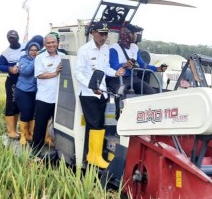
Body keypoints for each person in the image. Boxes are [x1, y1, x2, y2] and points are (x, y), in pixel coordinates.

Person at [74, 21, 125, 169]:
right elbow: (78, 72)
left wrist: (115, 72)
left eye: (105, 34)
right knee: (94, 123)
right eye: (101, 34)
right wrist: (91, 86)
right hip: (88, 93)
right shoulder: (84, 50)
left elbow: (106, 68)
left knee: (99, 124)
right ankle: (93, 157)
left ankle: (92, 156)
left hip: (101, 92)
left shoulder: (106, 49)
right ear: (93, 33)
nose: (103, 37)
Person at [109, 23, 168, 95]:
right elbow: (113, 66)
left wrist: (157, 68)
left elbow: (141, 64)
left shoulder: (135, 47)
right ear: (125, 34)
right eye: (133, 33)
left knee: (150, 92)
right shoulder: (114, 49)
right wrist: (124, 65)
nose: (136, 35)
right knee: (122, 94)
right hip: (117, 79)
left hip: (132, 78)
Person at [32, 33, 63, 155]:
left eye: (53, 42)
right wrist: (54, 73)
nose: (51, 45)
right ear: (45, 45)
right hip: (44, 98)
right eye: (48, 43)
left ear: (57, 43)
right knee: (40, 125)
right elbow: (39, 75)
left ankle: (60, 149)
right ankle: (35, 150)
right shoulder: (40, 58)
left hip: (59, 98)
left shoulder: (63, 56)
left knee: (59, 126)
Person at [0, 30, 24, 139]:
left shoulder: (25, 47)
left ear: (18, 37)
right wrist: (9, 68)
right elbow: (0, 65)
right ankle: (10, 131)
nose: (12, 39)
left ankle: (15, 130)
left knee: (18, 105)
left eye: (13, 37)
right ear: (8, 39)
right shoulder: (5, 52)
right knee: (11, 105)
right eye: (10, 38)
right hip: (12, 81)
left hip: (24, 82)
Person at [15, 41, 41, 146]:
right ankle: (23, 135)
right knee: (25, 113)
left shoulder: (42, 59)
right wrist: (36, 60)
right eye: (32, 50)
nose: (34, 52)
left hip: (36, 91)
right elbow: (26, 71)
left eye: (36, 50)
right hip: (23, 90)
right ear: (28, 50)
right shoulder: (23, 60)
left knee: (32, 113)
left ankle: (30, 134)